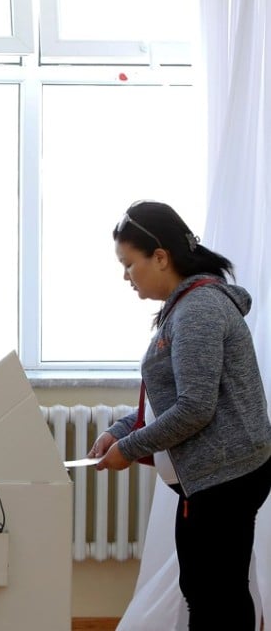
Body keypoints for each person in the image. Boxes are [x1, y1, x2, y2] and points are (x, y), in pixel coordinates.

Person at [90, 200, 271, 630]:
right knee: (208, 590)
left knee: (215, 596)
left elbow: (194, 407)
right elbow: (167, 396)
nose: (125, 276)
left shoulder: (198, 310)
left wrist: (129, 449)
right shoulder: (184, 307)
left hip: (226, 475)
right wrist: (121, 430)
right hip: (214, 475)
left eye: (129, 264)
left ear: (160, 256)